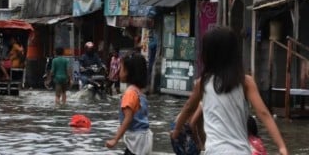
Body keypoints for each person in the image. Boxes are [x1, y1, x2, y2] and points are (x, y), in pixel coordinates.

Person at [171, 26, 288, 155]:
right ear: (235, 53)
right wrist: (281, 146)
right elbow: (264, 113)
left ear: (207, 55)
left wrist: (176, 130)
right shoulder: (245, 82)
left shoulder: (203, 83)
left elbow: (188, 108)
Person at [105, 52, 153, 155]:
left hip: (136, 140)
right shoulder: (140, 92)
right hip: (144, 138)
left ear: (128, 72)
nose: (118, 72)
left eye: (121, 68)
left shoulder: (130, 93)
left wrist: (115, 139)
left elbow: (128, 118)